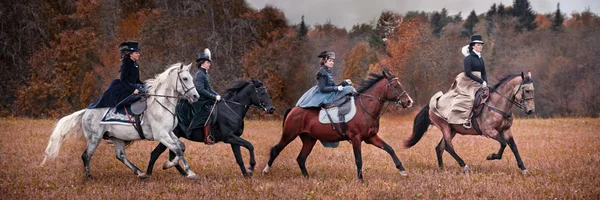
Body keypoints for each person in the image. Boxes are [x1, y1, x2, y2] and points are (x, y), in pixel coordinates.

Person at [176, 48, 220, 145]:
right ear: (202, 63)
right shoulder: (200, 74)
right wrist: (213, 97)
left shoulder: (204, 73)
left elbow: (208, 88)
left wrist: (216, 95)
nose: (209, 64)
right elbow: (200, 89)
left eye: (209, 62)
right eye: (208, 62)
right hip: (200, 100)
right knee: (208, 112)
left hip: (205, 98)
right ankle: (206, 137)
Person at [88, 41, 144, 109]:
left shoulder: (136, 65)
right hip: (125, 87)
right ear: (130, 54)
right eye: (136, 53)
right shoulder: (126, 63)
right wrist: (132, 90)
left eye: (138, 53)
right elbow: (123, 79)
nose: (139, 54)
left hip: (133, 86)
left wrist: (144, 85)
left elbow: (137, 80)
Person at [457, 34, 488, 128]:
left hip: (480, 81)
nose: (480, 46)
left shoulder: (480, 58)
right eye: (478, 45)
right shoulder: (468, 58)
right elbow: (468, 73)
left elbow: (484, 72)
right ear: (473, 46)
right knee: (471, 98)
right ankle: (467, 119)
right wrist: (481, 81)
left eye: (481, 45)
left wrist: (485, 83)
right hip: (469, 82)